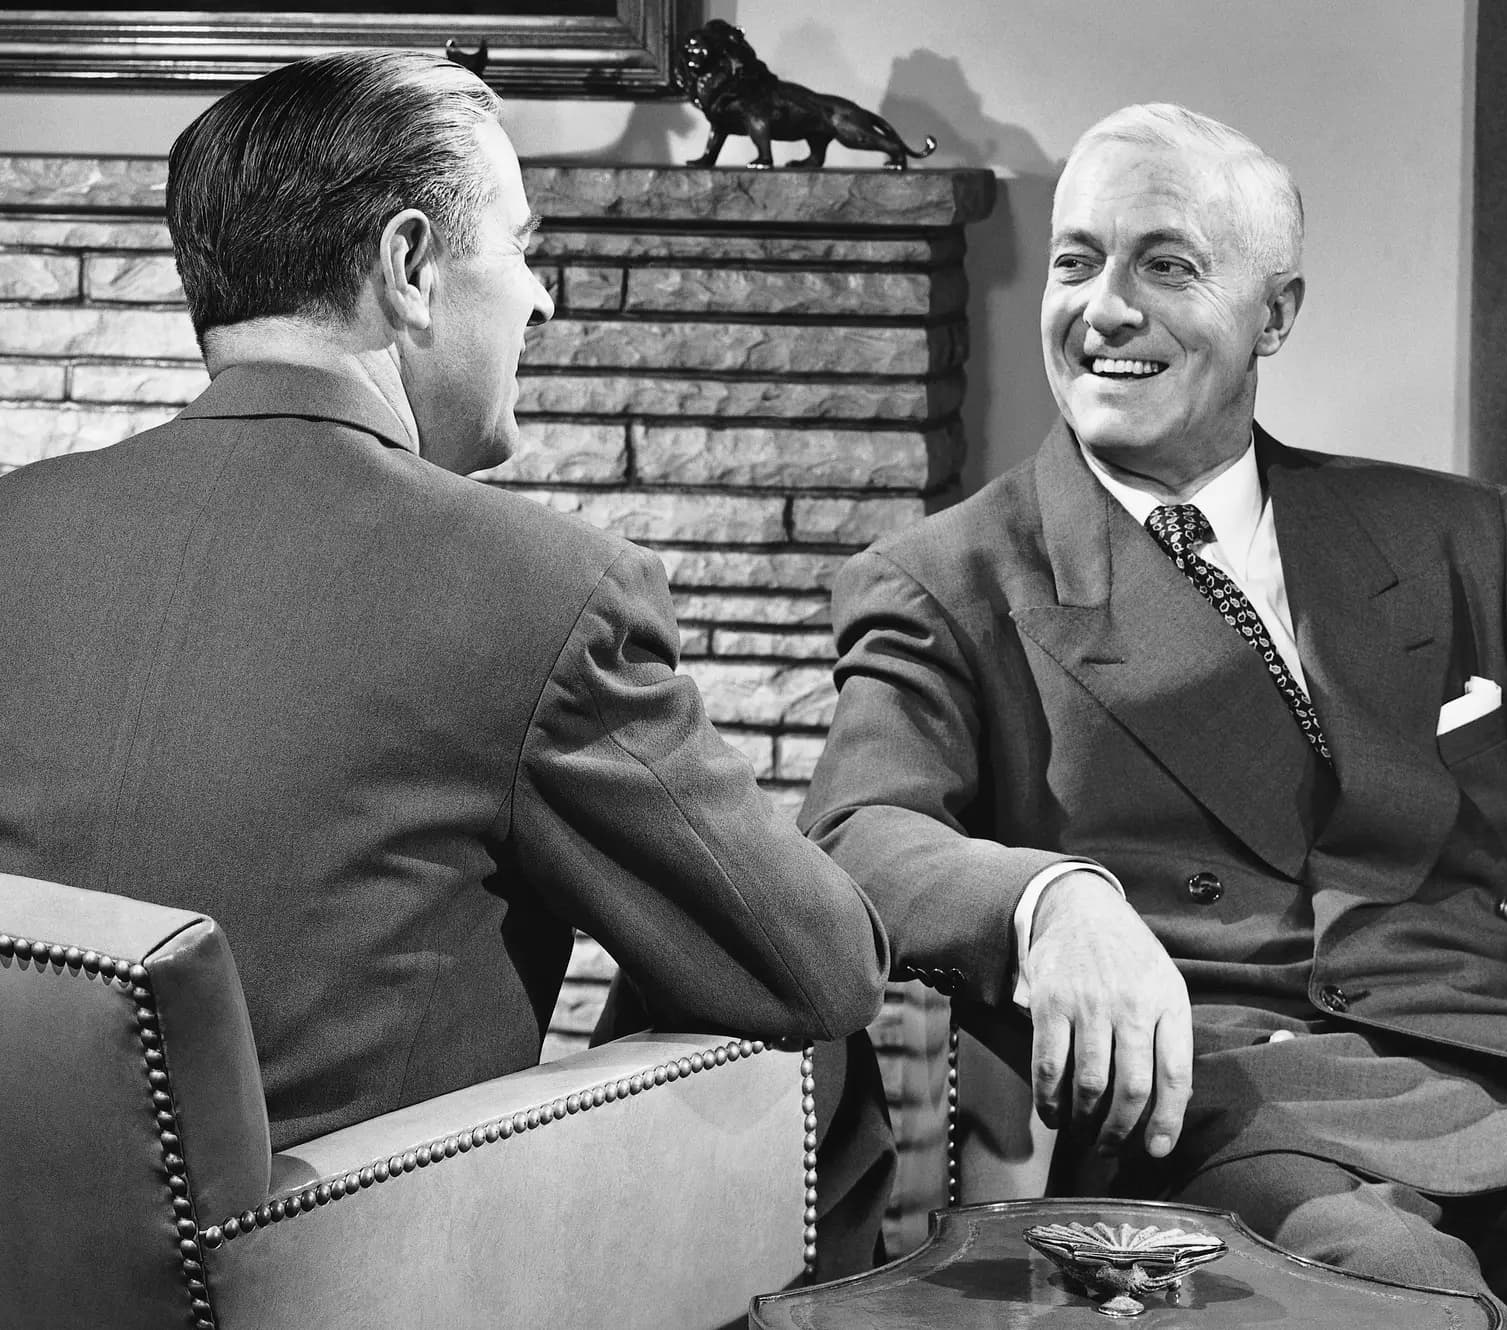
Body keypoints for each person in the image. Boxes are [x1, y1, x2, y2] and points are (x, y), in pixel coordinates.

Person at [800, 101, 1507, 1326]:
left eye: (1166, 265)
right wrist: (1051, 900)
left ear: (1275, 314)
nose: (1105, 308)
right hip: (1225, 1118)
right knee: (1392, 1299)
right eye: (1077, 261)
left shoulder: (1456, 535)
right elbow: (856, 832)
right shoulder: (950, 578)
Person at [0, 49, 887, 1164]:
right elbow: (819, 967)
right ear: (411, 264)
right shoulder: (543, 590)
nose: (542, 299)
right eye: (521, 248)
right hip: (350, 1244)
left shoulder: (15, 526)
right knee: (831, 1076)